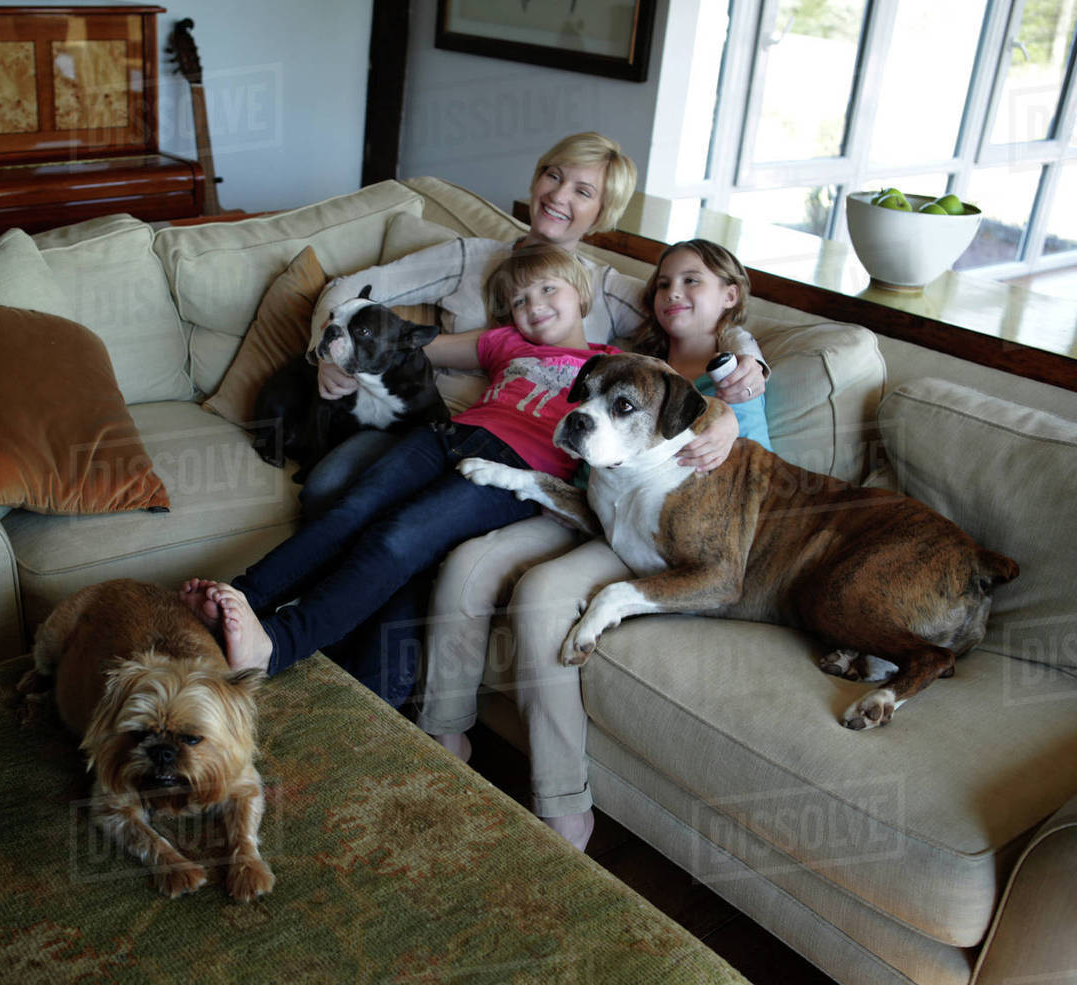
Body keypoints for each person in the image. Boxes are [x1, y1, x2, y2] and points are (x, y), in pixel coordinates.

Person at [417, 239, 771, 851]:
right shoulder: (630, 352)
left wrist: (740, 374)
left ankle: (562, 805)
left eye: (692, 282)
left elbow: (744, 465)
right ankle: (442, 738)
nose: (672, 294)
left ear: (732, 296)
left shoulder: (736, 381)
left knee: (541, 597)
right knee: (466, 568)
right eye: (662, 284)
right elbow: (569, 285)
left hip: (652, 533)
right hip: (581, 504)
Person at [180, 246, 620, 701]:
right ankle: (238, 599)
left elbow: (668, 406)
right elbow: (395, 339)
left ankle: (277, 642)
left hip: (513, 470)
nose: (533, 305)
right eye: (519, 300)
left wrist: (705, 426)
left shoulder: (613, 365)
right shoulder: (505, 341)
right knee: (350, 509)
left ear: (583, 292)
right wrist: (335, 360)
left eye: (547, 289)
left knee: (397, 538)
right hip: (445, 434)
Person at [300, 132, 768, 516]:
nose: (558, 196)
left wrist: (748, 369)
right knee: (327, 487)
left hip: (524, 447)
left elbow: (690, 314)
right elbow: (351, 287)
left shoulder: (604, 287)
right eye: (553, 176)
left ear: (602, 213)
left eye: (582, 192)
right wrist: (328, 358)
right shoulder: (470, 257)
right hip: (420, 421)